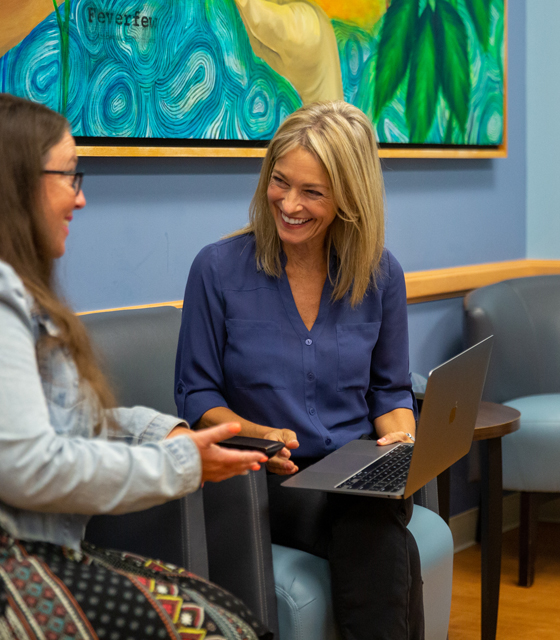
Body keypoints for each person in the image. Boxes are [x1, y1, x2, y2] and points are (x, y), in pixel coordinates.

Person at [0, 94, 272, 640]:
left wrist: (167, 433)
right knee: (215, 631)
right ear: (13, 182)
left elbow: (49, 422)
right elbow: (25, 464)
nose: (80, 199)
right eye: (69, 176)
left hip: (6, 545)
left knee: (231, 619)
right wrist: (179, 464)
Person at [174, 101, 423, 640]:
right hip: (265, 480)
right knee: (381, 533)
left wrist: (401, 441)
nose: (288, 204)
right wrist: (259, 434)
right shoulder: (216, 269)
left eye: (312, 192)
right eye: (279, 182)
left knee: (370, 514)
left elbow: (390, 390)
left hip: (352, 475)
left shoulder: (380, 274)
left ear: (349, 198)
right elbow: (196, 395)